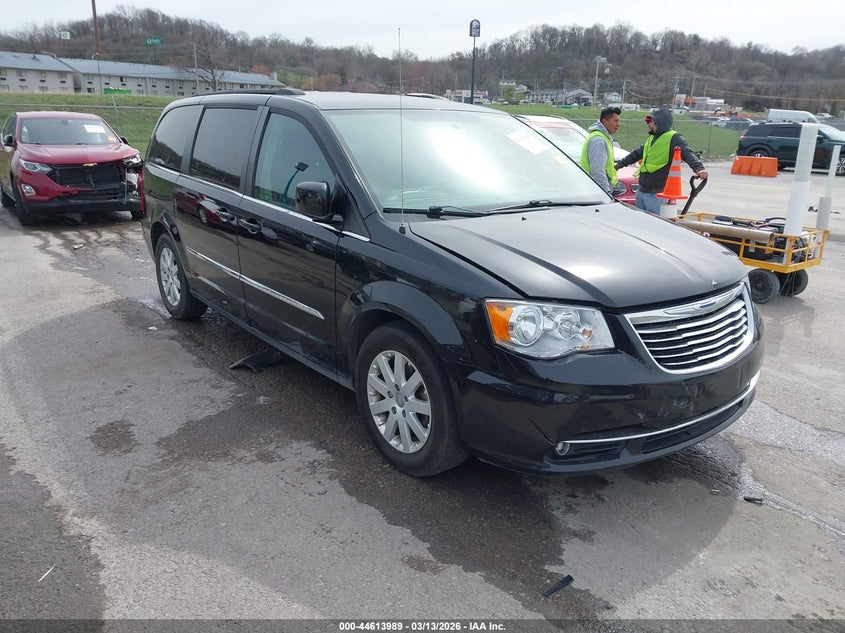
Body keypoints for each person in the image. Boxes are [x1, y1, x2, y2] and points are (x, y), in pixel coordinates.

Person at [614, 107, 708, 214]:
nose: (648, 125)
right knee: (641, 224)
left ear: (659, 123)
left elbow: (687, 153)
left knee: (655, 224)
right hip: (642, 190)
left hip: (657, 193)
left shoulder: (674, 138)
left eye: (651, 122)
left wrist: (699, 168)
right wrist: (618, 166)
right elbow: (636, 154)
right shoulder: (651, 138)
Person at [579, 106, 621, 196]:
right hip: (595, 192)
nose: (618, 124)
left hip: (594, 189)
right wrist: (606, 193)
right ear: (605, 122)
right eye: (615, 121)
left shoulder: (603, 137)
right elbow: (597, 171)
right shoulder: (598, 140)